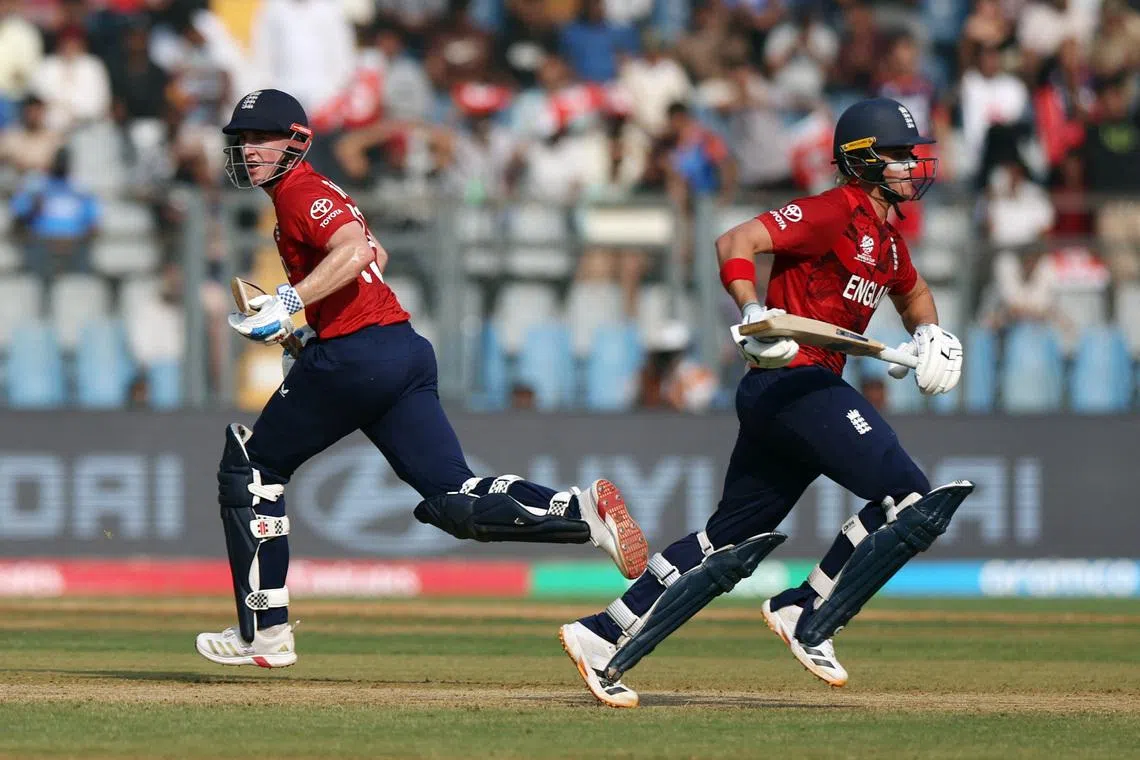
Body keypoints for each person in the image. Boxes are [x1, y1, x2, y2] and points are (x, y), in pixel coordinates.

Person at [195, 89, 648, 669]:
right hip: (400, 351)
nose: (248, 150)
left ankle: (265, 632)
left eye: (261, 138)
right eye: (242, 139)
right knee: (452, 500)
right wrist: (313, 332)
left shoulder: (300, 192)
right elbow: (375, 254)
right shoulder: (316, 192)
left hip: (359, 356)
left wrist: (289, 303)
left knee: (253, 469)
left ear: (297, 142)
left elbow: (357, 251)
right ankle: (581, 512)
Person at [559, 97, 972, 708]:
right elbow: (738, 239)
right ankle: (807, 609)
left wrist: (928, 335)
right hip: (793, 380)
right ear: (861, 160)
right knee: (909, 499)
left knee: (728, 541)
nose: (911, 167)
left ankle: (601, 635)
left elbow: (913, 293)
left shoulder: (887, 241)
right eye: (899, 157)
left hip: (799, 389)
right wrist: (752, 307)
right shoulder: (835, 210)